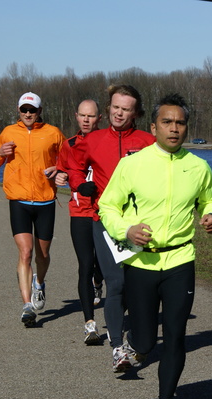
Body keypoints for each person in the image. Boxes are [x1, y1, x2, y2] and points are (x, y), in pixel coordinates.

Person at [98, 93, 212, 399]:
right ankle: (133, 347)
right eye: (167, 122)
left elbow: (211, 200)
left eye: (180, 123)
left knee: (176, 335)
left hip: (181, 259)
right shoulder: (133, 164)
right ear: (153, 126)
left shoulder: (198, 166)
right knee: (146, 340)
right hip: (141, 264)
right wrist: (127, 229)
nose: (174, 128)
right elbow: (107, 206)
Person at [67, 85, 155, 365]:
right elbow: (74, 166)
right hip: (103, 220)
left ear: (135, 113)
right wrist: (81, 184)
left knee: (134, 285)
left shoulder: (147, 141)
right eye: (115, 107)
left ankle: (131, 335)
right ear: (109, 109)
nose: (119, 113)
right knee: (115, 283)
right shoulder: (92, 140)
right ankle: (117, 347)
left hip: (139, 224)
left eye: (126, 109)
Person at [0, 92, 66, 327]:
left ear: (40, 111)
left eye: (32, 110)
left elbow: (69, 159)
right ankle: (27, 305)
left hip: (45, 201)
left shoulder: (53, 133)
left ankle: (39, 283)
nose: (28, 114)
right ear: (19, 111)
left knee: (42, 255)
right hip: (19, 200)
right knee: (25, 253)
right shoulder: (9, 132)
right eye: (24, 110)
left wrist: (60, 169)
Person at [55, 100, 105, 345]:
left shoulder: (106, 141)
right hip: (80, 212)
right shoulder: (69, 145)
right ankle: (90, 324)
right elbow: (60, 171)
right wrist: (59, 175)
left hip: (105, 213)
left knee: (101, 266)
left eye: (91, 116)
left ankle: (99, 280)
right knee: (84, 265)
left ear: (99, 118)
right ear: (76, 116)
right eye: (82, 116)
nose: (86, 120)